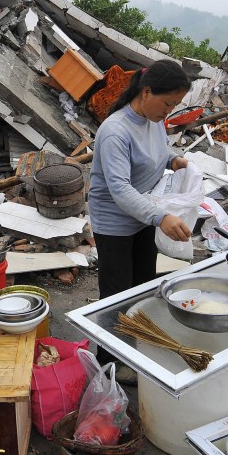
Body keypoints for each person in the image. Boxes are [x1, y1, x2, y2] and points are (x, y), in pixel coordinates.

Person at [87, 59, 193, 375]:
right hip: (115, 224)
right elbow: (119, 189)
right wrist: (161, 218)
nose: (168, 112)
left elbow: (159, 152)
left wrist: (173, 160)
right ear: (146, 92)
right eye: (167, 103)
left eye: (175, 105)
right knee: (116, 297)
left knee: (143, 288)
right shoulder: (115, 132)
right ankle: (108, 365)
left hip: (144, 217)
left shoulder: (154, 121)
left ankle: (133, 352)